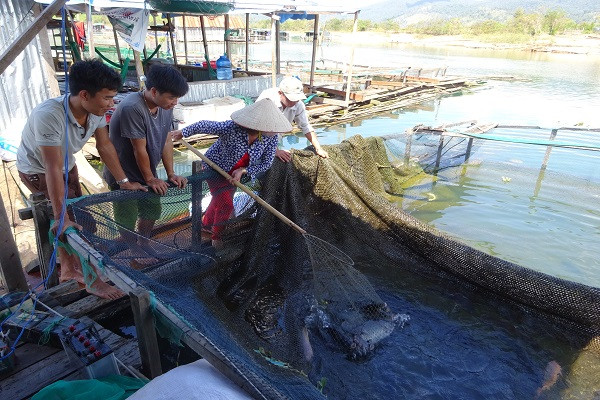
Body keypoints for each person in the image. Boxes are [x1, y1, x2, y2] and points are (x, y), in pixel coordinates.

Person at [16, 59, 146, 299]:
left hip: (68, 164)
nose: (111, 103)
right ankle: (92, 280)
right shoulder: (49, 116)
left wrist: (124, 181)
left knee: (78, 219)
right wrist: (60, 217)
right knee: (71, 224)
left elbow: (105, 147)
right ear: (84, 94)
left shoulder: (95, 111)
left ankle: (67, 270)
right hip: (39, 170)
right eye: (107, 98)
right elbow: (52, 168)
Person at [171, 99, 292, 247]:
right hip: (214, 168)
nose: (273, 130)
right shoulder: (232, 128)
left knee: (220, 199)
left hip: (236, 173)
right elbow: (204, 125)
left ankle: (206, 224)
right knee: (226, 204)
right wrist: (183, 132)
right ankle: (217, 237)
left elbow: (266, 163)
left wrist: (243, 171)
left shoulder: (270, 137)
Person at [103, 63, 189, 248]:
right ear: (154, 91)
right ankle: (133, 252)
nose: (175, 102)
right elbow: (138, 148)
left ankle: (143, 244)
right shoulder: (133, 107)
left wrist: (171, 174)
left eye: (177, 98)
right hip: (123, 174)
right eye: (172, 97)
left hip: (146, 171)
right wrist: (150, 179)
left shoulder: (166, 107)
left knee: (152, 210)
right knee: (126, 216)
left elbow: (166, 140)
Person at [257, 76, 328, 162]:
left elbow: (306, 127)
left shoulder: (299, 105)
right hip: (256, 137)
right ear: (280, 93)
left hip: (275, 138)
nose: (294, 102)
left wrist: (318, 148)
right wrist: (274, 151)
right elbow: (257, 127)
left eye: (297, 99)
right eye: (291, 99)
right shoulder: (267, 99)